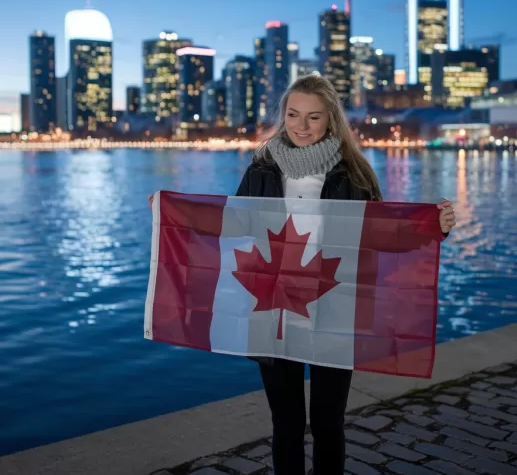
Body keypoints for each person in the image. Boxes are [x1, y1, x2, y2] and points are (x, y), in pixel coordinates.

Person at [148, 74, 456, 475]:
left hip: (335, 308)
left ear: (331, 120)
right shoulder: (262, 170)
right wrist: (175, 212)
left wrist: (434, 227)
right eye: (293, 115)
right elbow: (235, 221)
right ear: (283, 115)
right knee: (286, 425)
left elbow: (382, 236)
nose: (301, 126)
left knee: (329, 424)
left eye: (313, 117)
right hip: (273, 308)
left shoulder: (354, 175)